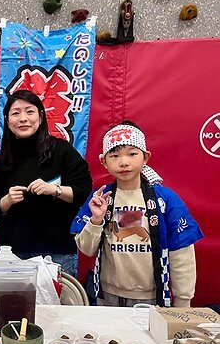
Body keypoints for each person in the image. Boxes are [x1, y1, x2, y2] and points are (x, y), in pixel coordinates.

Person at [71, 121, 203, 307]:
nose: (124, 162)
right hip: (106, 295)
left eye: (132, 154)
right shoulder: (100, 198)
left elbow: (182, 253)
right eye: (114, 155)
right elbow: (87, 249)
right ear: (104, 162)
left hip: (152, 296)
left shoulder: (165, 200)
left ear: (145, 157)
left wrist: (183, 299)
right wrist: (96, 220)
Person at [0, 89, 92, 277]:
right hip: (12, 252)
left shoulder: (61, 150)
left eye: (29, 111)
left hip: (57, 251)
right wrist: (8, 200)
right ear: (8, 121)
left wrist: (54, 189)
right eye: (16, 113)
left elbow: (83, 191)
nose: (23, 118)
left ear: (40, 117)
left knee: (57, 298)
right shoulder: (5, 158)